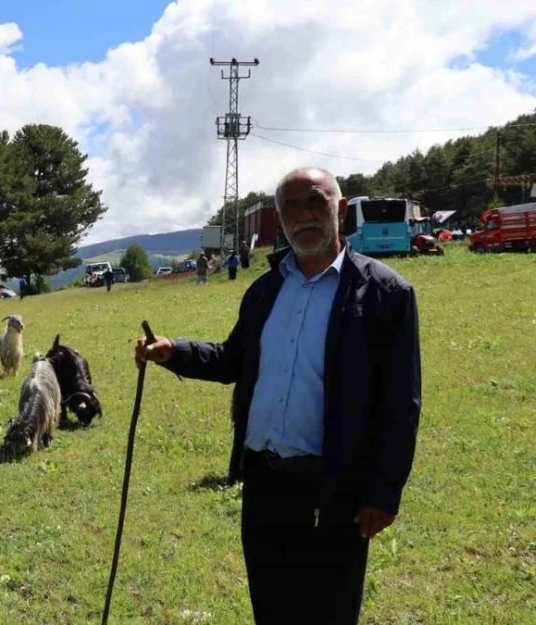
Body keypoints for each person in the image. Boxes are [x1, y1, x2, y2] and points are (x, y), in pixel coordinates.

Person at [135, 167, 421, 625]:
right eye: (290, 206)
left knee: (329, 611)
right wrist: (174, 352)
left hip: (336, 489)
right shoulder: (265, 291)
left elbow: (400, 405)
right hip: (265, 484)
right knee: (270, 608)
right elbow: (233, 359)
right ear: (280, 219)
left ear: (340, 209)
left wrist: (384, 492)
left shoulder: (387, 294)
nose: (304, 215)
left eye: (315, 202)